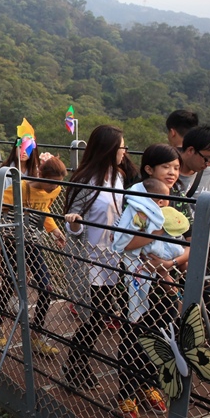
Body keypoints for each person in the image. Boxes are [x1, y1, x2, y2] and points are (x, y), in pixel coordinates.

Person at [61, 125, 137, 392]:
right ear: (107, 149)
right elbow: (72, 219)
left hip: (113, 256)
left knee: (101, 315)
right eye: (121, 147)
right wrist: (74, 223)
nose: (124, 151)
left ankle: (76, 364)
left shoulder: (118, 175)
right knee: (94, 317)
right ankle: (75, 365)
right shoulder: (86, 180)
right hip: (89, 258)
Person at [111, 176, 189, 418]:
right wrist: (156, 232)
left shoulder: (172, 211)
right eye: (167, 167)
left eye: (176, 168)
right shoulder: (142, 214)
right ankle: (127, 393)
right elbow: (124, 243)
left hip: (162, 281)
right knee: (133, 338)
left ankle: (149, 384)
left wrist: (167, 262)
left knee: (159, 335)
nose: (163, 201)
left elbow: (185, 244)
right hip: (137, 278)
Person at [0, 155, 68, 356]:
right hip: (12, 239)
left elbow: (45, 210)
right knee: (10, 282)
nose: (54, 188)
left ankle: (36, 336)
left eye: (58, 184)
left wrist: (54, 230)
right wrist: (12, 208)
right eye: (52, 182)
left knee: (46, 287)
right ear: (41, 174)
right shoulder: (21, 187)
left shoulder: (55, 189)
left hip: (32, 240)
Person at [175, 124, 210, 227]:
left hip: (198, 237)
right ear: (190, 150)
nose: (209, 164)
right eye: (207, 159)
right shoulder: (167, 173)